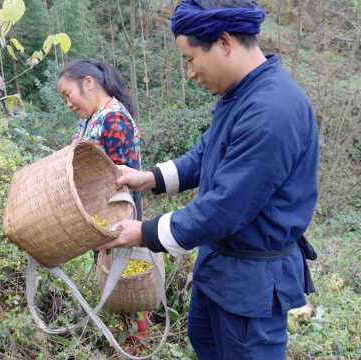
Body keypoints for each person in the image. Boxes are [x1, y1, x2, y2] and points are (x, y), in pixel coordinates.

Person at [96, 1, 319, 359]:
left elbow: (225, 207)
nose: (190, 72)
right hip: (219, 271)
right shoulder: (240, 95)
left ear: (225, 43)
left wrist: (144, 232)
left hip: (251, 288)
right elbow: (206, 154)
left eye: (190, 58)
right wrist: (147, 178)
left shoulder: (272, 110)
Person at [56, 59, 151, 342]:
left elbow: (117, 173)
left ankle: (137, 342)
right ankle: (121, 336)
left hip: (118, 213)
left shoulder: (113, 117)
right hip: (98, 213)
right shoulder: (90, 119)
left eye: (67, 94)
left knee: (126, 276)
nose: (68, 104)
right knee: (109, 273)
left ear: (88, 82)